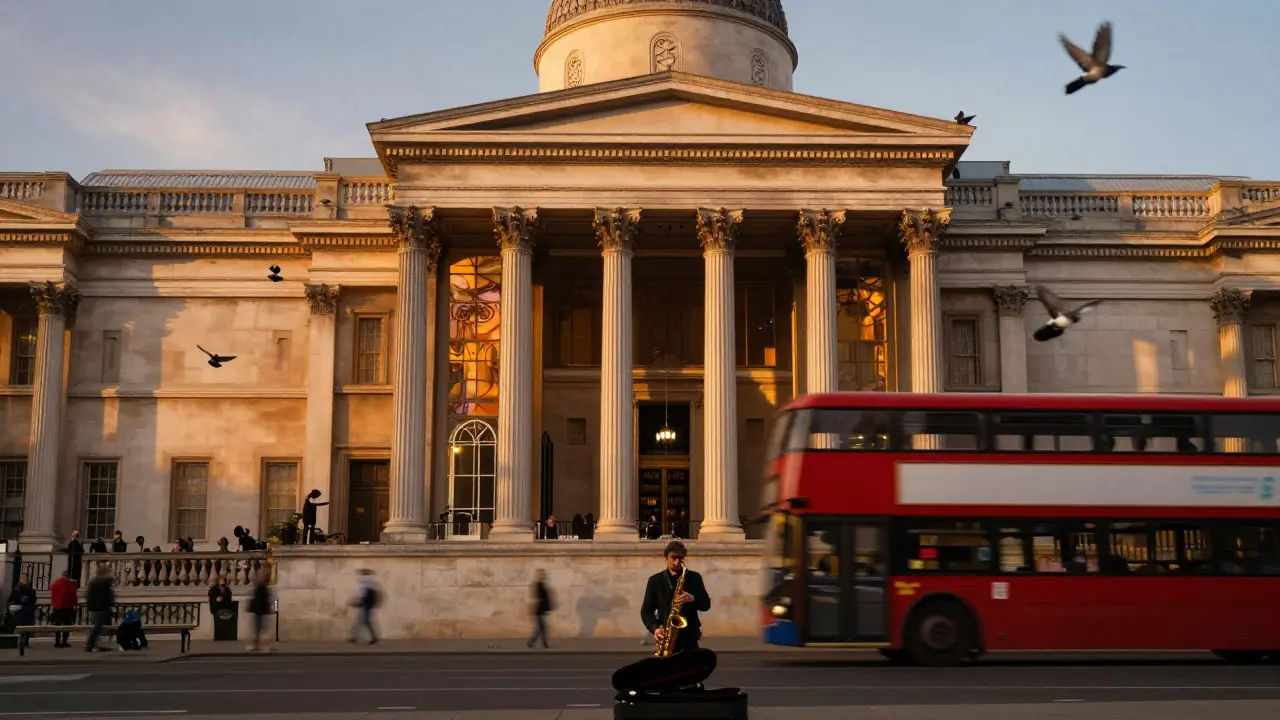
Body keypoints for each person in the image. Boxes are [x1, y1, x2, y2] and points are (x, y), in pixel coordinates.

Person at [640, 540, 711, 655]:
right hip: (666, 637)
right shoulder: (655, 580)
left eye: (680, 558)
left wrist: (693, 598)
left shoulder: (694, 577)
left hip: (689, 637)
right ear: (666, 558)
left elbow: (706, 605)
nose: (677, 562)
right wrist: (655, 629)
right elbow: (646, 611)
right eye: (673, 558)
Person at [85, 566, 115, 652]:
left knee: (97, 626)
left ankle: (94, 644)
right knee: (98, 627)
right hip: (101, 607)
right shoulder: (104, 582)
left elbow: (89, 596)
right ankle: (91, 644)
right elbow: (108, 595)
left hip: (94, 607)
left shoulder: (94, 582)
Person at [6, 573, 36, 650]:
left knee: (27, 628)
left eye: (25, 578)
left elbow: (33, 599)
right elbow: (11, 599)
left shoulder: (31, 590)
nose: (24, 579)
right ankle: (20, 641)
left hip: (28, 611)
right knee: (20, 627)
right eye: (22, 578)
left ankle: (25, 642)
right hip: (20, 611)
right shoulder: (16, 589)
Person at [246, 569, 274, 652]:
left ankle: (255, 645)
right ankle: (266, 646)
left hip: (258, 611)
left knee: (257, 629)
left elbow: (253, 599)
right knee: (264, 630)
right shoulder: (265, 589)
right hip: (263, 611)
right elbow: (268, 600)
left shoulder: (257, 587)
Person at [349, 569, 379, 645]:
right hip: (366, 604)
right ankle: (354, 638)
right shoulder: (368, 582)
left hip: (366, 604)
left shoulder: (364, 582)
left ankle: (374, 638)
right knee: (361, 621)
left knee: (365, 622)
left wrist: (356, 602)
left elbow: (362, 594)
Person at [50, 570, 78, 648]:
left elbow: (52, 594)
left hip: (57, 607)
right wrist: (75, 604)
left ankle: (57, 641)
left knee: (57, 625)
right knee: (67, 624)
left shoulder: (55, 583)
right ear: (69, 576)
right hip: (67, 607)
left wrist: (54, 603)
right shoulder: (71, 584)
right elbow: (73, 595)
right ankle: (64, 641)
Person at [527, 569, 552, 649]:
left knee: (541, 627)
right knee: (542, 627)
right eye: (541, 574)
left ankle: (533, 642)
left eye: (543, 574)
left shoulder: (543, 584)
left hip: (542, 609)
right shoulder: (538, 584)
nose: (543, 576)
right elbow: (539, 597)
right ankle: (542, 643)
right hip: (539, 609)